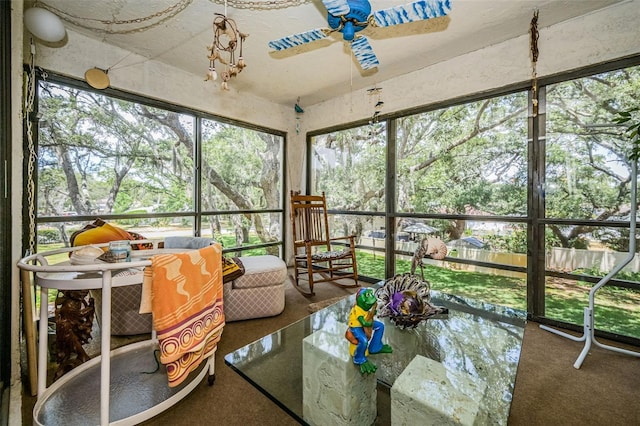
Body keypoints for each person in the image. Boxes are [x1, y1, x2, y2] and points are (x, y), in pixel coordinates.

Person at [345, 287, 392, 374]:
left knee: (380, 326)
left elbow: (367, 317)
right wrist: (369, 324)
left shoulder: (364, 309)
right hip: (356, 327)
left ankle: (375, 347)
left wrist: (372, 313)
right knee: (364, 341)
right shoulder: (357, 309)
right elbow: (363, 323)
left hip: (366, 321)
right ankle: (359, 358)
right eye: (367, 295)